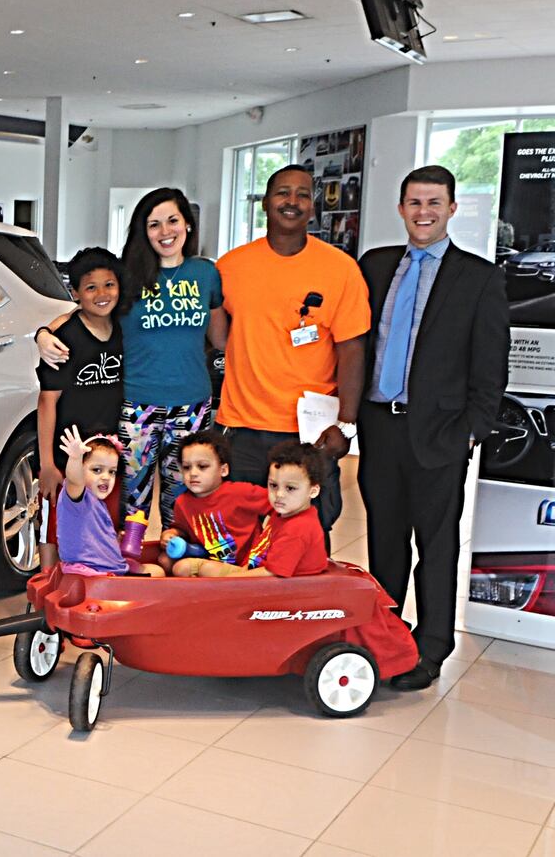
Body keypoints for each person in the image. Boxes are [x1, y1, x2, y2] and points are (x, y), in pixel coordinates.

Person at [357, 164, 509, 690]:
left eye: (434, 203)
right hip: (379, 427)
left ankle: (432, 646)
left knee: (437, 544)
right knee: (384, 540)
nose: (423, 213)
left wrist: (472, 430)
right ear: (400, 209)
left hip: (441, 433)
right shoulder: (375, 266)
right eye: (414, 203)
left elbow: (491, 364)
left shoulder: (479, 276)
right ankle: (385, 637)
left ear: (451, 209)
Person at [38, 188, 225, 525]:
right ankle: (127, 564)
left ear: (188, 225)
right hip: (139, 406)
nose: (165, 232)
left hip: (193, 405)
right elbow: (87, 309)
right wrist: (44, 333)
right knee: (130, 499)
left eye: (173, 221)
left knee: (183, 497)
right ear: (144, 231)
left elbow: (223, 337)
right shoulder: (129, 277)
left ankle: (176, 567)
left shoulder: (206, 274)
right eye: (154, 225)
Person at [214, 164, 369, 535]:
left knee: (309, 536)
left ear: (313, 207)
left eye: (302, 194)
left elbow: (352, 350)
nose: (292, 201)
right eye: (283, 192)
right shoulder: (231, 267)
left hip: (309, 433)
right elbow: (218, 338)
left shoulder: (340, 269)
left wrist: (345, 424)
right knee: (240, 535)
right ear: (266, 203)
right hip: (242, 428)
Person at [36, 248, 125, 570]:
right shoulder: (65, 337)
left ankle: (95, 587)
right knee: (53, 527)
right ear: (75, 293)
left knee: (102, 520)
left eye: (109, 285)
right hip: (65, 452)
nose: (102, 294)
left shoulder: (124, 328)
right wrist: (47, 463)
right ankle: (46, 594)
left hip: (108, 454)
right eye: (91, 287)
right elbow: (47, 401)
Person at [195, 441, 329, 578]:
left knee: (197, 572)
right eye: (273, 485)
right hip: (261, 576)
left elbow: (272, 574)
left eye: (290, 488)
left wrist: (226, 581)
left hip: (275, 588)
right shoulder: (284, 514)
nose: (279, 494)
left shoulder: (299, 528)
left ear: (313, 491)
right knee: (188, 568)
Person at [55, 426, 164, 577]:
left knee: (156, 571)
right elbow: (74, 480)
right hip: (91, 573)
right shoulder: (77, 498)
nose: (106, 477)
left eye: (111, 471)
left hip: (110, 567)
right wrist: (75, 458)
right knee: (157, 575)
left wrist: (116, 542)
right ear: (80, 469)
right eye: (97, 470)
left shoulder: (98, 503)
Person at [160, 430, 270, 576]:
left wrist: (273, 540)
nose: (193, 473)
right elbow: (183, 530)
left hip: (247, 567)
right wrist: (171, 534)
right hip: (210, 561)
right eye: (187, 467)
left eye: (202, 466)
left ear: (223, 470)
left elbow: (282, 506)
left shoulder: (240, 493)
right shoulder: (182, 502)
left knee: (183, 568)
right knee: (164, 560)